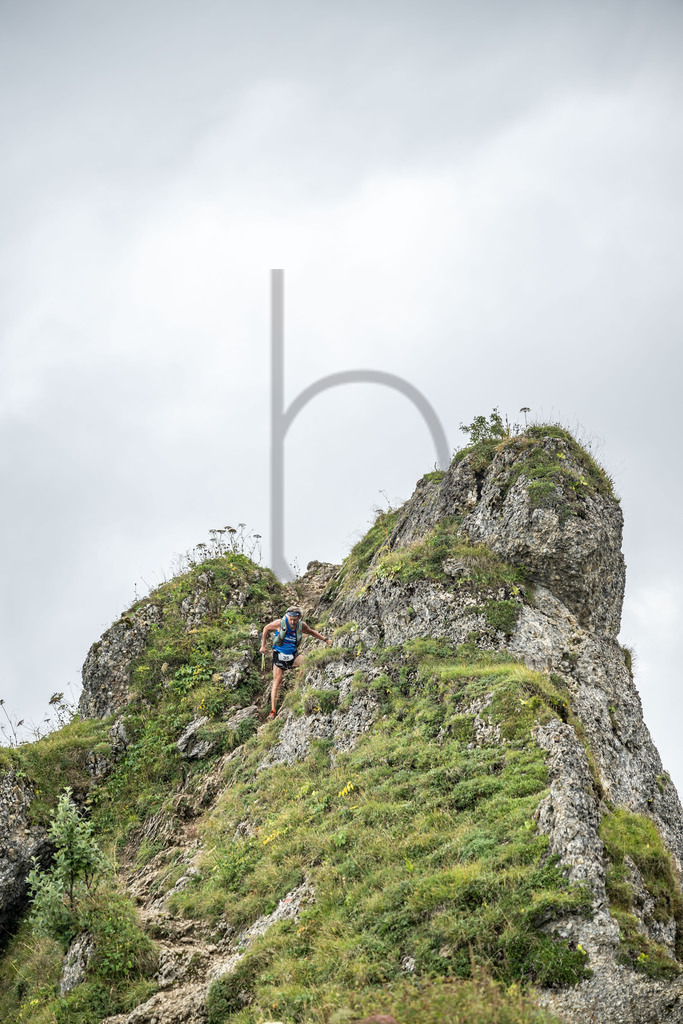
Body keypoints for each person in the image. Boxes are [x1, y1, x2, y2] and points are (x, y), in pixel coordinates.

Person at [260, 606, 329, 718]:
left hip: (292, 654)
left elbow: (312, 632)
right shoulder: (280, 623)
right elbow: (266, 628)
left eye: (295, 620)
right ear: (287, 617)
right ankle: (273, 711)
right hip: (279, 654)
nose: (292, 622)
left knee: (306, 663)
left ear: (299, 618)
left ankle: (296, 689)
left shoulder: (302, 625)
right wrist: (263, 646)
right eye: (290, 619)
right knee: (277, 682)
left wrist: (325, 640)